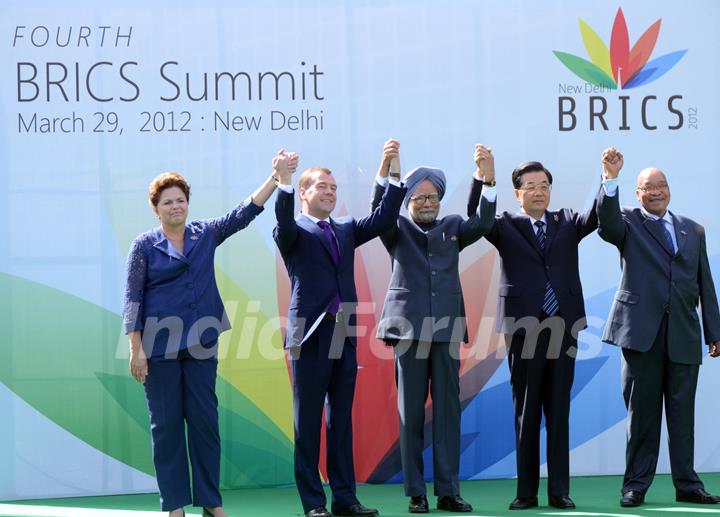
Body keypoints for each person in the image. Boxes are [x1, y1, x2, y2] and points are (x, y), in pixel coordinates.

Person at [123, 153, 296, 517]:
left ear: (188, 203)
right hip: (158, 346)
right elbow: (132, 298)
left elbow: (243, 213)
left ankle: (210, 502)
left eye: (180, 200)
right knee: (166, 428)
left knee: (205, 423)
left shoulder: (204, 234)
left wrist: (276, 177)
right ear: (156, 209)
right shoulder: (143, 246)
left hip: (202, 342)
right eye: (167, 202)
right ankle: (174, 505)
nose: (175, 206)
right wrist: (135, 349)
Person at [273, 143, 406, 517]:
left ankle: (345, 499)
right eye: (321, 187)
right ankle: (314, 503)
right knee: (308, 424)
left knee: (341, 422)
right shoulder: (291, 230)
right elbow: (283, 222)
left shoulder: (345, 229)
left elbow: (382, 220)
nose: (330, 193)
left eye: (333, 188)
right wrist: (283, 180)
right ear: (304, 193)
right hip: (309, 335)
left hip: (343, 334)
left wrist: (388, 171)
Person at [372, 143, 497, 514]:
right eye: (419, 197)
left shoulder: (453, 227)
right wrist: (386, 170)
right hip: (408, 334)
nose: (427, 203)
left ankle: (448, 491)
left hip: (445, 331)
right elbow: (378, 212)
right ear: (407, 201)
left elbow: (484, 222)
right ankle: (416, 492)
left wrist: (486, 177)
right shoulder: (395, 230)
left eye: (433, 197)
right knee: (410, 413)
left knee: (447, 415)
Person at [467, 160, 599, 510]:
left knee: (558, 410)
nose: (539, 191)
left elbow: (597, 216)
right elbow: (476, 217)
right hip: (523, 328)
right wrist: (486, 178)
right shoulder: (504, 224)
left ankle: (559, 491)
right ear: (517, 192)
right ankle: (526, 492)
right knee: (526, 410)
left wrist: (609, 179)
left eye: (544, 185)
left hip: (564, 325)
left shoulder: (568, 221)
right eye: (531, 186)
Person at [597, 148, 720, 508]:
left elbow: (705, 283)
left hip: (684, 334)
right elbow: (606, 223)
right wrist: (610, 178)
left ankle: (688, 485)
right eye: (647, 187)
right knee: (643, 416)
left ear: (669, 190)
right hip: (640, 335)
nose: (655, 192)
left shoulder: (692, 230)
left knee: (683, 417)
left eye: (661, 186)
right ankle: (635, 486)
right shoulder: (627, 221)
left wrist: (714, 332)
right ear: (637, 193)